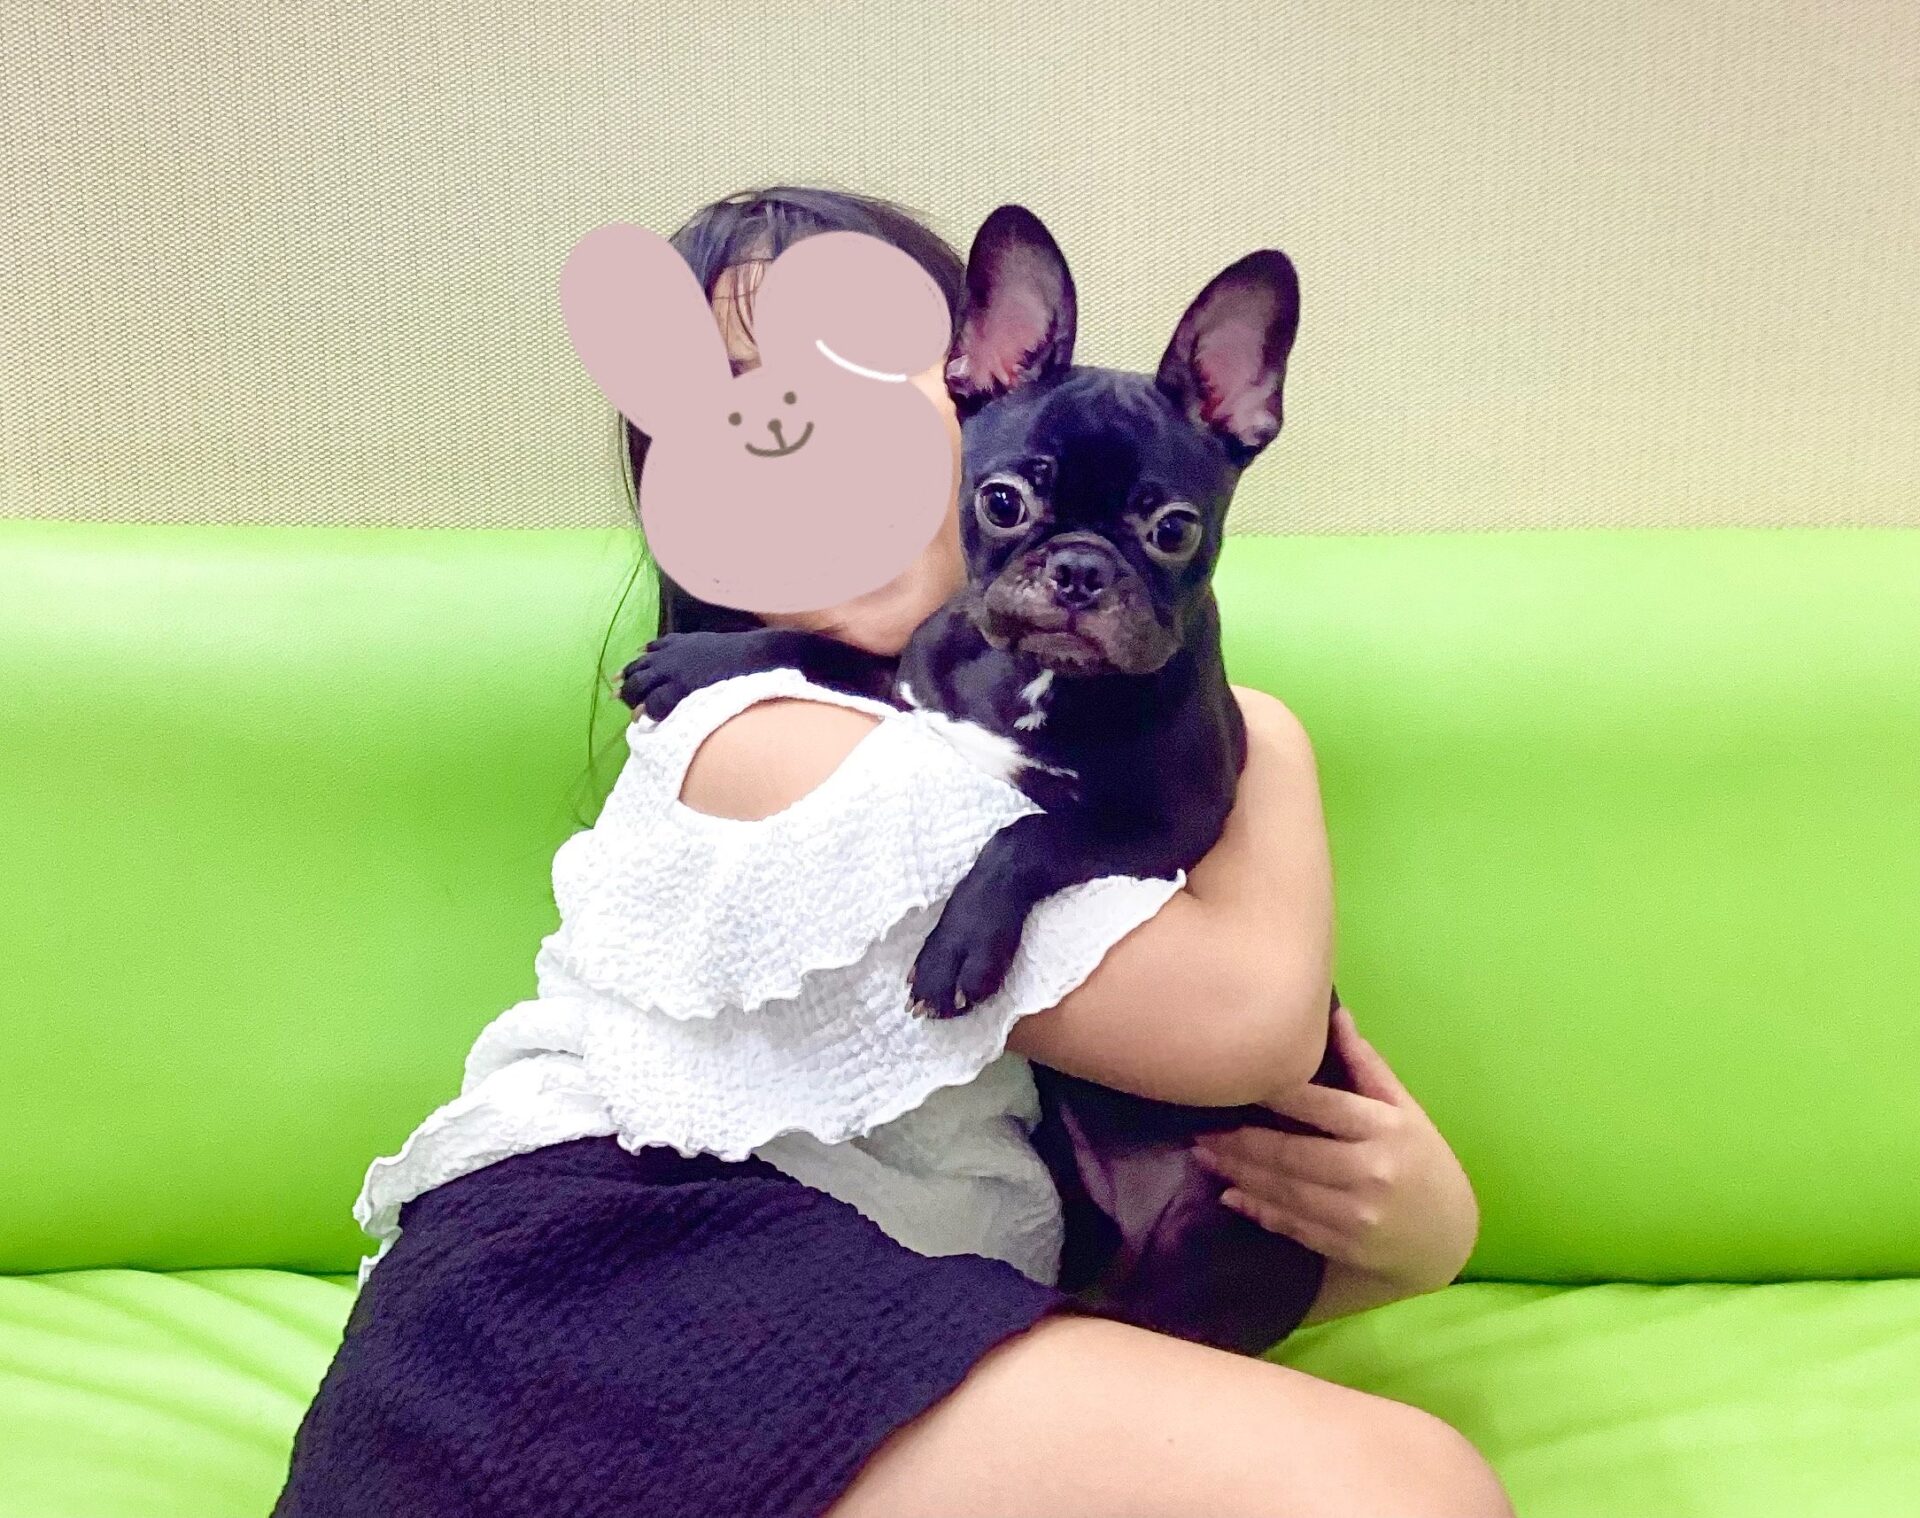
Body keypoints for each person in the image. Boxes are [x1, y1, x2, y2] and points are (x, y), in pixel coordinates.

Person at [272, 185, 1509, 1518]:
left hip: (859, 1298)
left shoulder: (1008, 756)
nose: (791, 433)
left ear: (983, 392)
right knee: (1406, 1486)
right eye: (725, 407)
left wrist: (1418, 1232)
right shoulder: (750, 736)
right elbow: (1241, 1028)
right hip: (590, 1274)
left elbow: (1157, 1249)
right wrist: (1268, 736)